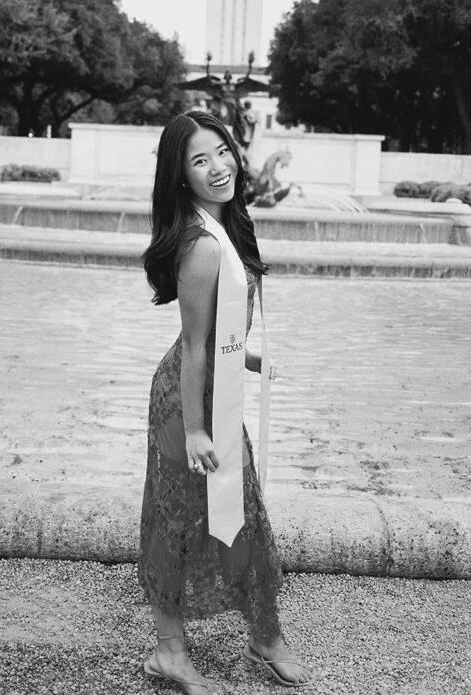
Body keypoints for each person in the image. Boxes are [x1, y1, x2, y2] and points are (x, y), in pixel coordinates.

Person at [139, 111, 313, 693]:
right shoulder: (201, 247)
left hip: (219, 386)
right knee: (178, 522)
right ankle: (170, 652)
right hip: (187, 404)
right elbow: (192, 348)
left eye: (222, 152)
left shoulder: (225, 226)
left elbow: (216, 336)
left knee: (242, 513)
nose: (217, 168)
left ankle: (266, 635)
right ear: (180, 176)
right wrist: (193, 431)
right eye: (199, 160)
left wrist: (249, 359)